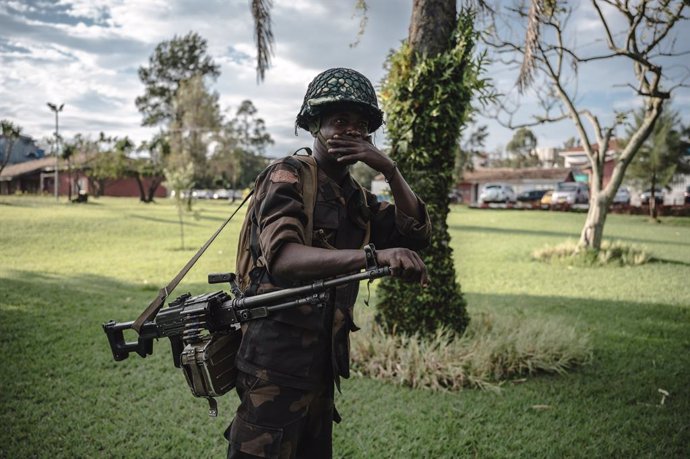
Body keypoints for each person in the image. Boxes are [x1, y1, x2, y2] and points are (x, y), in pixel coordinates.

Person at [226, 67, 431, 459]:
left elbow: (415, 233)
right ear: (315, 125)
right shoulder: (287, 176)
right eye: (339, 121)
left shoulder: (355, 198)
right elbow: (283, 259)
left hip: (321, 365)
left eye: (361, 125)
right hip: (274, 361)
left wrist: (389, 169)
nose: (351, 132)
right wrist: (374, 256)